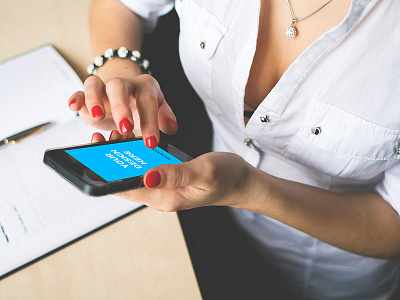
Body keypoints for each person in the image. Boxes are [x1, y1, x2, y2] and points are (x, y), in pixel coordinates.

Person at [68, 0, 400, 298]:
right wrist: (121, 79)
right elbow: (122, 5)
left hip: (326, 280)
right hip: (203, 234)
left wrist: (249, 189)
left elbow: (394, 222)